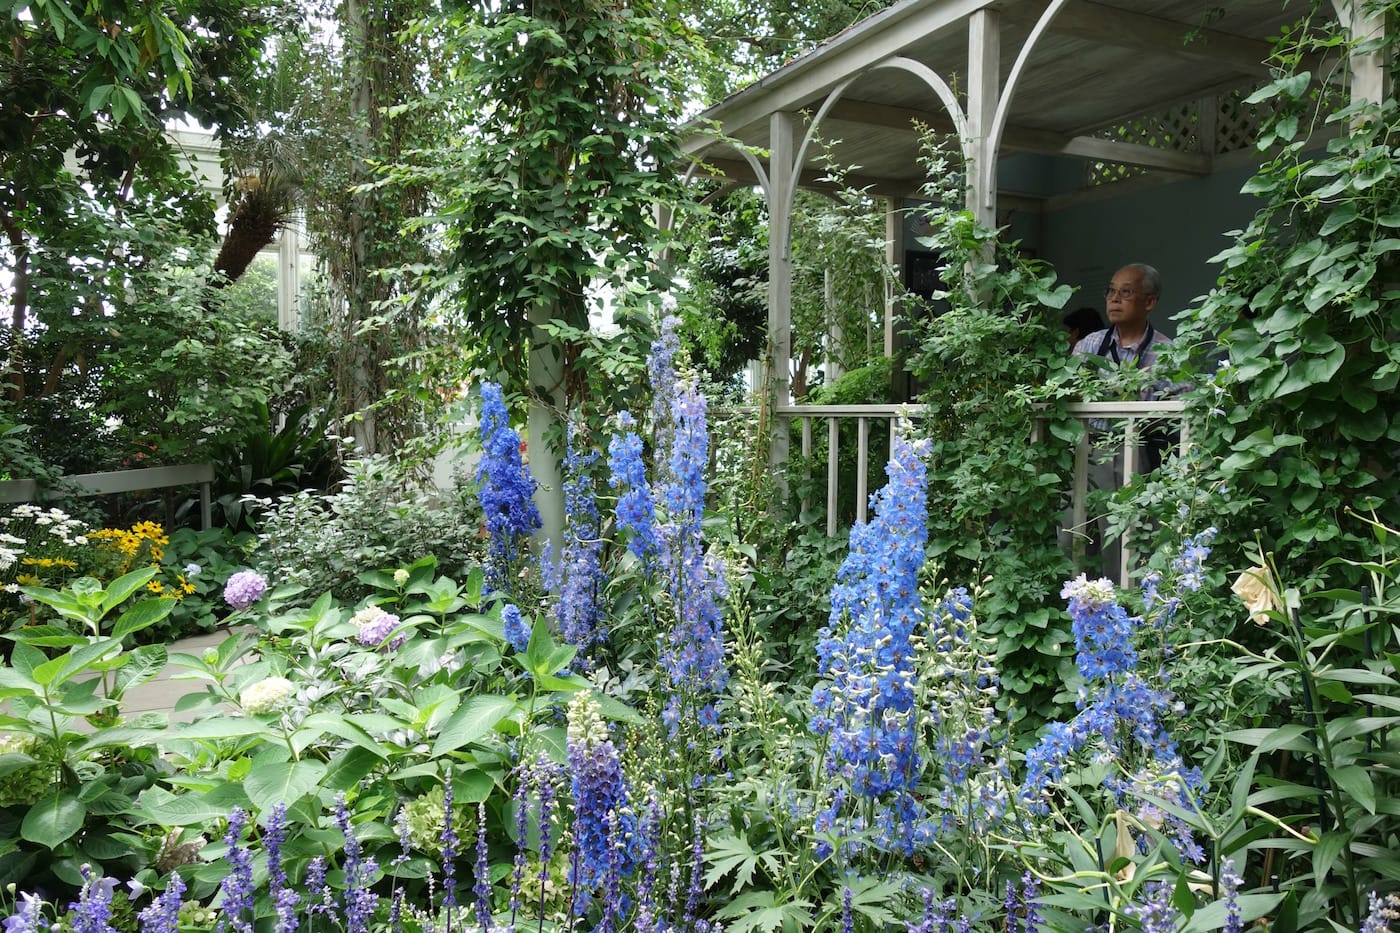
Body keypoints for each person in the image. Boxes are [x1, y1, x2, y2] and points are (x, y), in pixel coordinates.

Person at [1067, 263, 1175, 581]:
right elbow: (1067, 394)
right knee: (1071, 535)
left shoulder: (1165, 352)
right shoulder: (1089, 345)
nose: (1114, 299)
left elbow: (1178, 414)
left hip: (1136, 454)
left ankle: (1121, 610)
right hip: (1087, 450)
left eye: (1125, 292)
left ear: (1149, 301)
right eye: (1111, 291)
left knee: (1123, 542)